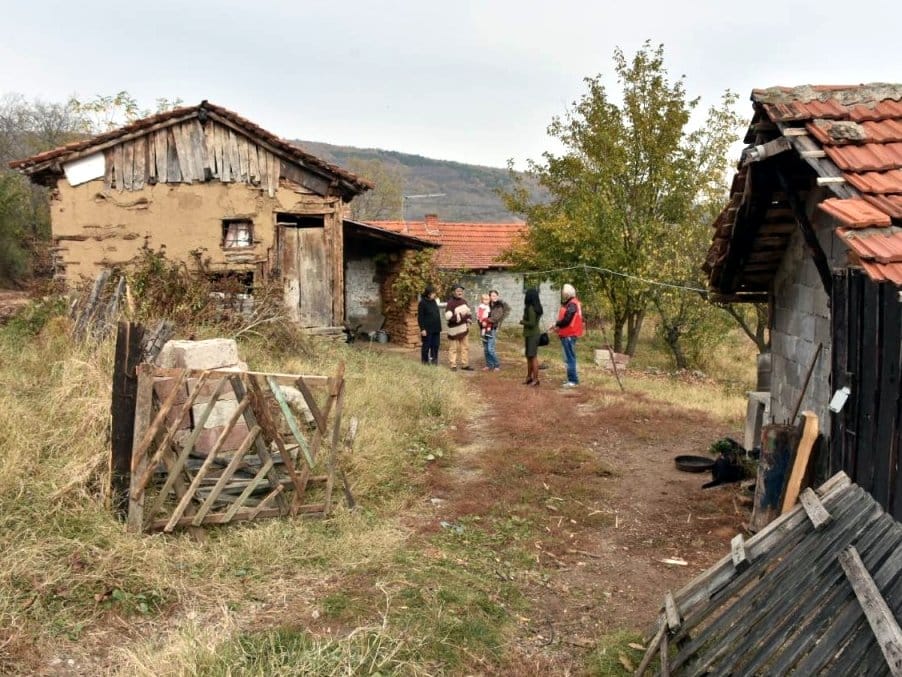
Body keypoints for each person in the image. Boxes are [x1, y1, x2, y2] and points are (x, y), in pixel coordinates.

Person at [549, 283, 584, 387]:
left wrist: (556, 324)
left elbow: (567, 320)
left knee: (570, 358)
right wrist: (557, 328)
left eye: (563, 292)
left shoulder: (572, 304)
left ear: (567, 293)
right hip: (568, 334)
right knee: (568, 358)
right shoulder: (571, 303)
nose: (562, 294)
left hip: (569, 334)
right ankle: (571, 379)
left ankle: (573, 380)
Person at [445, 284, 473, 371]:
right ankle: (453, 365)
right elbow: (448, 317)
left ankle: (465, 365)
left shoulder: (464, 301)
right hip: (454, 329)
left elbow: (468, 313)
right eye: (458, 291)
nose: (460, 292)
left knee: (465, 347)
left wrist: (469, 319)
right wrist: (459, 317)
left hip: (463, 328)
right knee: (453, 348)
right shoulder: (450, 303)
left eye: (461, 291)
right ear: (453, 292)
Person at [521, 287, 543, 386]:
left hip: (532, 335)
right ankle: (529, 377)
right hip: (531, 334)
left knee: (533, 357)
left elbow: (532, 323)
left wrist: (522, 322)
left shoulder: (531, 308)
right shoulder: (537, 307)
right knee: (529, 356)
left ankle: (536, 379)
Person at [484, 289, 510, 371]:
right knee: (485, 349)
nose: (494, 297)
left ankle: (496, 365)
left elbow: (496, 318)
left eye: (495, 295)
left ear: (497, 296)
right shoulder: (486, 305)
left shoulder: (499, 306)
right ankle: (489, 365)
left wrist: (485, 320)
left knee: (490, 349)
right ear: (490, 297)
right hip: (484, 328)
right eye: (492, 296)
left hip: (492, 329)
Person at [417, 285, 441, 365]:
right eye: (433, 293)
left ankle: (434, 360)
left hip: (436, 328)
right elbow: (420, 317)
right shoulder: (422, 303)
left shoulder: (434, 301)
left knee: (435, 345)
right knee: (426, 346)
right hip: (427, 329)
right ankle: (425, 361)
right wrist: (422, 329)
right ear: (428, 294)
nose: (435, 295)